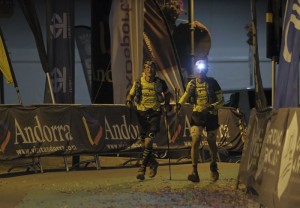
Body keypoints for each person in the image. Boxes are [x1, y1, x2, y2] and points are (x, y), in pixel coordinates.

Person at [177, 57, 224, 183]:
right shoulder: (192, 84)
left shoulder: (213, 82)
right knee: (196, 140)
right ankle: (194, 171)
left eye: (202, 70)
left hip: (211, 115)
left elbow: (222, 101)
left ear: (206, 70)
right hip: (197, 114)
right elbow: (185, 96)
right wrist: (178, 105)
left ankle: (213, 166)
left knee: (211, 142)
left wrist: (209, 107)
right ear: (195, 71)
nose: (200, 73)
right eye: (197, 70)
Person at [126, 60, 172, 181]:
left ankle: (142, 168)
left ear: (155, 70)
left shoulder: (160, 82)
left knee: (148, 143)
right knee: (143, 145)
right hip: (141, 114)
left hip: (154, 113)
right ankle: (153, 163)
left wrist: (166, 104)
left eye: (151, 68)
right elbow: (130, 95)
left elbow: (168, 94)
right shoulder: (138, 83)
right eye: (147, 67)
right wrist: (129, 101)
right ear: (144, 70)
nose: (149, 70)